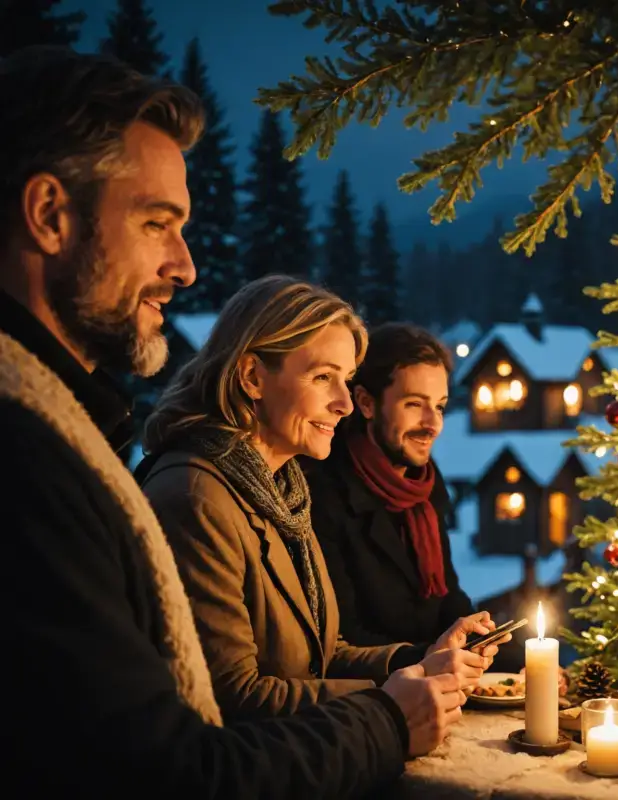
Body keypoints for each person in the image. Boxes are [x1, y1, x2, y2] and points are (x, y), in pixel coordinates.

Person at [0, 45, 466, 800]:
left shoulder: (269, 485)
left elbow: (311, 656)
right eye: (157, 222)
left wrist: (416, 665)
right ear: (51, 215)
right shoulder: (42, 464)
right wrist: (387, 716)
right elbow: (173, 755)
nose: (184, 266)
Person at [136, 276, 501, 720]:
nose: (344, 403)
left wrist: (420, 663)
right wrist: (389, 705)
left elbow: (320, 658)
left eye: (346, 380)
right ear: (252, 376)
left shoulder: (283, 490)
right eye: (324, 377)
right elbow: (231, 698)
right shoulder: (197, 500)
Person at [303, 323, 477, 651]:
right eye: (414, 404)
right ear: (366, 403)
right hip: (375, 692)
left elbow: (448, 600)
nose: (433, 424)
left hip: (437, 682)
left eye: (439, 406)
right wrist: (432, 660)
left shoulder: (424, 487)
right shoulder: (325, 495)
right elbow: (342, 637)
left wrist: (510, 654)